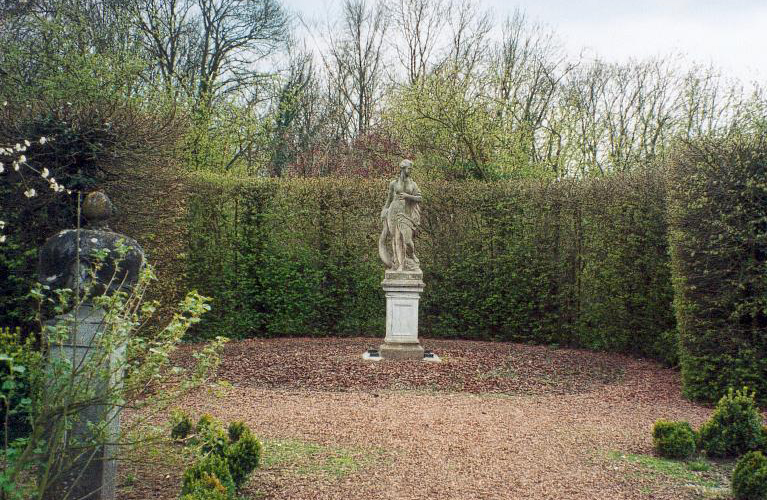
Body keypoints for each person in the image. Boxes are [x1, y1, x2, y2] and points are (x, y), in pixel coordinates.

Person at [379, 159, 422, 271]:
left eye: (411, 169)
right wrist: (385, 210)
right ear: (403, 169)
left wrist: (408, 196)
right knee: (397, 239)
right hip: (394, 212)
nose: (410, 171)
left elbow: (419, 198)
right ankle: (401, 265)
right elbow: (389, 199)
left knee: (407, 241)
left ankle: (411, 254)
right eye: (409, 168)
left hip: (406, 214)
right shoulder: (393, 183)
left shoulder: (413, 184)